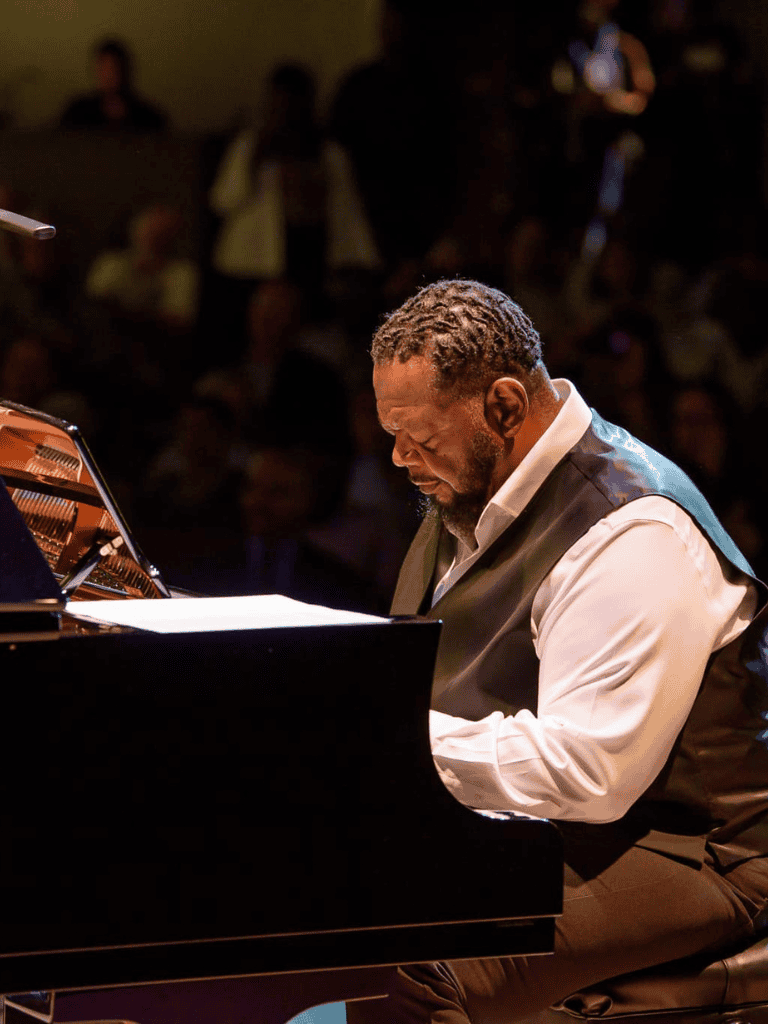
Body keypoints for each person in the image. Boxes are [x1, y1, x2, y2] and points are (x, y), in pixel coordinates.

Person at [347, 278, 768, 1023]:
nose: (400, 458)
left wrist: (388, 748)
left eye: (420, 438)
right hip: (555, 826)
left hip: (691, 851)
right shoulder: (469, 485)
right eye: (391, 435)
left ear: (504, 407)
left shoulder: (633, 529)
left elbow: (592, 771)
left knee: (414, 956)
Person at [59, 38, 168, 131]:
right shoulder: (78, 113)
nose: (110, 75)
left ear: (126, 70)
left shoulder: (147, 118)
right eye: (105, 69)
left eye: (114, 68)